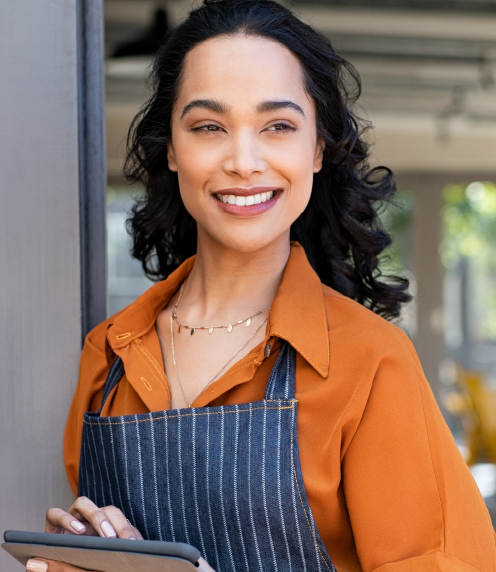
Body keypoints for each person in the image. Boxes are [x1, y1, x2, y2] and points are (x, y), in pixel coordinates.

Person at [28, 1, 496, 571]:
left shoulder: (369, 364)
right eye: (209, 127)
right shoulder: (108, 359)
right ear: (173, 149)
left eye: (278, 126)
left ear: (317, 148)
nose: (244, 161)